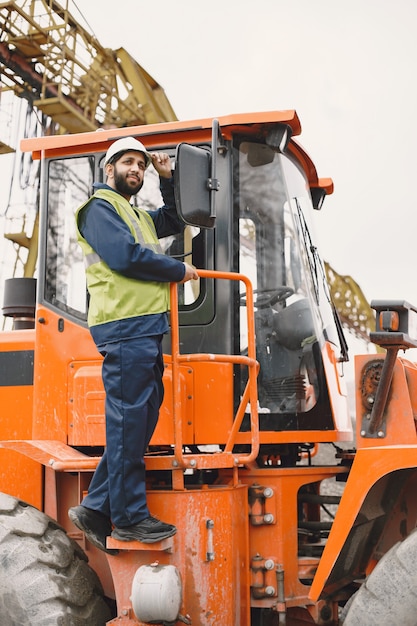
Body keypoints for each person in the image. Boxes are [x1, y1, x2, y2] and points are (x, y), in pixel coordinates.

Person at [69, 137, 198, 553]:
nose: (136, 170)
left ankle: (96, 507)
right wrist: (178, 270)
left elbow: (175, 222)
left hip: (144, 328)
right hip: (123, 326)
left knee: (139, 420)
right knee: (128, 422)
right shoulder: (99, 210)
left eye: (141, 165)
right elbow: (125, 258)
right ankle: (127, 519)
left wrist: (169, 178)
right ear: (109, 168)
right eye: (128, 163)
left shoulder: (135, 214)